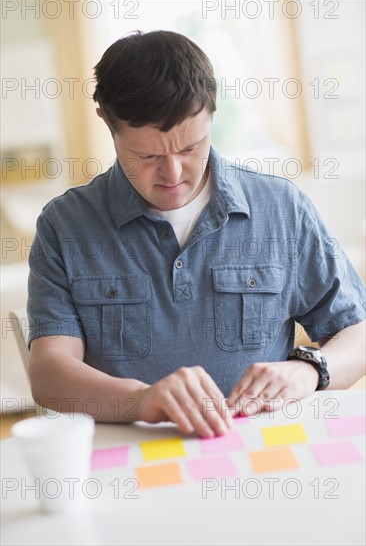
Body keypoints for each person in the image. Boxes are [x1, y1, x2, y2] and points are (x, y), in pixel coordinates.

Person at [27, 30, 365, 438]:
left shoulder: (282, 208)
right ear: (106, 120)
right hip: (130, 462)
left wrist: (310, 370)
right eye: (147, 155)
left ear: (212, 113)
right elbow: (49, 375)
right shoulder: (64, 225)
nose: (173, 174)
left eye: (191, 147)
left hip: (262, 454)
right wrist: (141, 400)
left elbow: (357, 332)